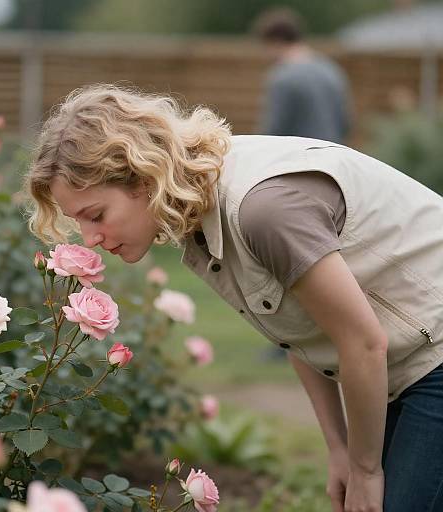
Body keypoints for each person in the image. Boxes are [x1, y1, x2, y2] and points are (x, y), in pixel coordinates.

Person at [26, 84, 443, 512]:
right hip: (404, 367)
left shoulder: (262, 211)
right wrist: (340, 450)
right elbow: (301, 328)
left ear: (143, 176)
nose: (91, 239)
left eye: (96, 216)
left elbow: (363, 343)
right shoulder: (202, 220)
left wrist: (365, 471)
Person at [254, 7, 351, 144]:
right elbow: (345, 123)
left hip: (300, 160)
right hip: (333, 155)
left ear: (275, 41)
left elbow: (273, 132)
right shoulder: (331, 69)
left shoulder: (283, 78)